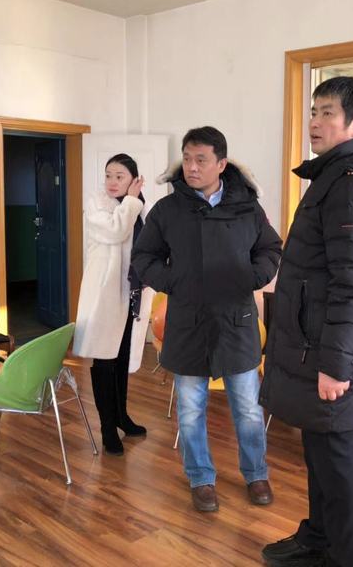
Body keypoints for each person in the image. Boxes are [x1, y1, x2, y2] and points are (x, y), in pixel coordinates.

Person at [259, 76, 353, 567]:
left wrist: (337, 366)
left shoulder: (351, 187)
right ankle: (318, 539)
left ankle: (347, 559)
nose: (315, 123)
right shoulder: (334, 178)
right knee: (320, 456)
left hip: (332, 357)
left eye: (327, 113)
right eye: (313, 112)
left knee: (339, 466)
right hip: (315, 347)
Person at [132, 126, 282, 513]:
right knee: (190, 410)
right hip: (188, 322)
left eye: (201, 160)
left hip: (236, 321)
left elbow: (270, 248)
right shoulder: (168, 210)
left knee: (248, 409)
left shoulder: (247, 207)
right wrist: (174, 282)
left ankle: (256, 473)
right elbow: (144, 258)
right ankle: (200, 477)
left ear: (221, 164)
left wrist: (252, 277)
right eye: (187, 159)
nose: (192, 167)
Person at [73, 153, 154, 456]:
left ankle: (122, 416)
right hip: (104, 295)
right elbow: (115, 231)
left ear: (133, 179)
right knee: (104, 361)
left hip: (129, 292)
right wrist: (132, 201)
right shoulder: (98, 203)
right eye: (108, 175)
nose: (111, 182)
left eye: (119, 176)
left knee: (121, 358)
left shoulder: (138, 205)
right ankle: (107, 427)